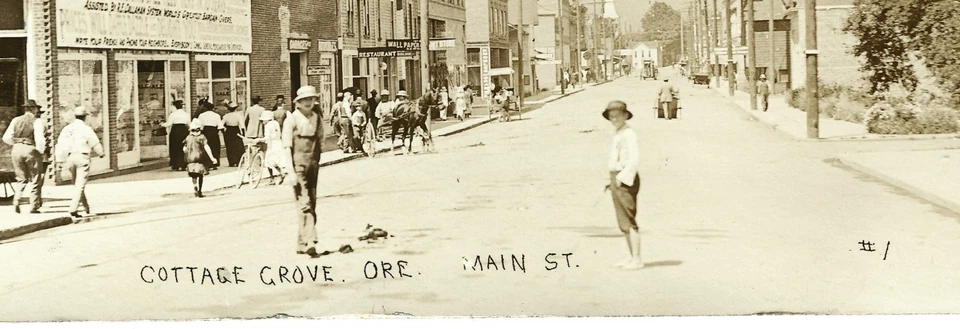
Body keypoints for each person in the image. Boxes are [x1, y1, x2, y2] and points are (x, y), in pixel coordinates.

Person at [282, 86, 325, 257]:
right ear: (298, 103)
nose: (308, 103)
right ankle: (310, 241)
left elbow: (321, 141)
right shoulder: (291, 120)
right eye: (304, 100)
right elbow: (286, 147)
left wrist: (317, 159)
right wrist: (290, 171)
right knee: (304, 201)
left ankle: (301, 243)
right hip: (297, 164)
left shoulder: (317, 118)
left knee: (311, 202)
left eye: (311, 99)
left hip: (313, 163)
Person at [602, 101, 643, 270]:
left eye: (617, 116)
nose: (614, 119)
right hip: (617, 178)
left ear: (625, 115)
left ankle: (637, 259)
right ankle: (631, 256)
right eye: (611, 117)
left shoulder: (629, 134)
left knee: (629, 219)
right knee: (623, 221)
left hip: (625, 179)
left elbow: (633, 160)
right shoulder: (619, 133)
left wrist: (621, 178)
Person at [55, 106, 104, 219]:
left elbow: (60, 146)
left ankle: (86, 207)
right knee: (80, 185)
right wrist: (101, 153)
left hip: (70, 158)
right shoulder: (86, 129)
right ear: (85, 117)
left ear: (75, 116)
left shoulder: (67, 129)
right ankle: (73, 208)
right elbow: (94, 142)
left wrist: (60, 161)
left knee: (77, 184)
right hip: (82, 158)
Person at [2, 100, 45, 214]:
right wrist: (40, 151)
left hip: (16, 149)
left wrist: (16, 143)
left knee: (21, 178)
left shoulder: (16, 120)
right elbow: (40, 139)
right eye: (36, 108)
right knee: (35, 178)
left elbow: (6, 138)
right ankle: (34, 206)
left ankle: (17, 199)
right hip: (30, 149)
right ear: (34, 109)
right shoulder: (37, 121)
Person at [184, 119, 217, 197]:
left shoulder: (188, 137)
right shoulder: (202, 137)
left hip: (190, 158)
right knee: (200, 175)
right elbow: (206, 147)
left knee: (193, 174)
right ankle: (200, 191)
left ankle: (195, 185)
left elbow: (184, 149)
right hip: (200, 158)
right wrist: (212, 158)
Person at [258, 111, 287, 185]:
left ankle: (272, 179)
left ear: (267, 119)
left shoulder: (267, 126)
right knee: (275, 161)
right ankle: (281, 173)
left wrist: (259, 140)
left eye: (264, 119)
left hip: (272, 144)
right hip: (279, 143)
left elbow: (267, 137)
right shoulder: (276, 123)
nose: (263, 121)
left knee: (268, 162)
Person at [162, 100, 190, 171]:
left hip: (175, 131)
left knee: (175, 147)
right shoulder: (186, 114)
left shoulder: (173, 114)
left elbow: (169, 123)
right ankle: (183, 164)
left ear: (175, 106)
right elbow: (189, 124)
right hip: (184, 130)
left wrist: (162, 124)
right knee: (183, 147)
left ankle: (175, 164)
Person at [198, 103, 224, 169]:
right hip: (214, 131)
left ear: (205, 108)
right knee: (215, 147)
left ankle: (207, 163)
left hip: (205, 131)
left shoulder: (201, 115)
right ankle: (214, 163)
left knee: (205, 147)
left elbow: (199, 125)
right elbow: (220, 126)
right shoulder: (216, 115)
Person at [222, 102, 245, 167]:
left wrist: (225, 130)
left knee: (230, 147)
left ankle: (231, 162)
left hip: (229, 131)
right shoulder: (238, 115)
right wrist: (243, 134)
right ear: (235, 109)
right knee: (238, 146)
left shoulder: (226, 116)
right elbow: (242, 125)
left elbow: (221, 124)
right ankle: (238, 161)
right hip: (236, 130)